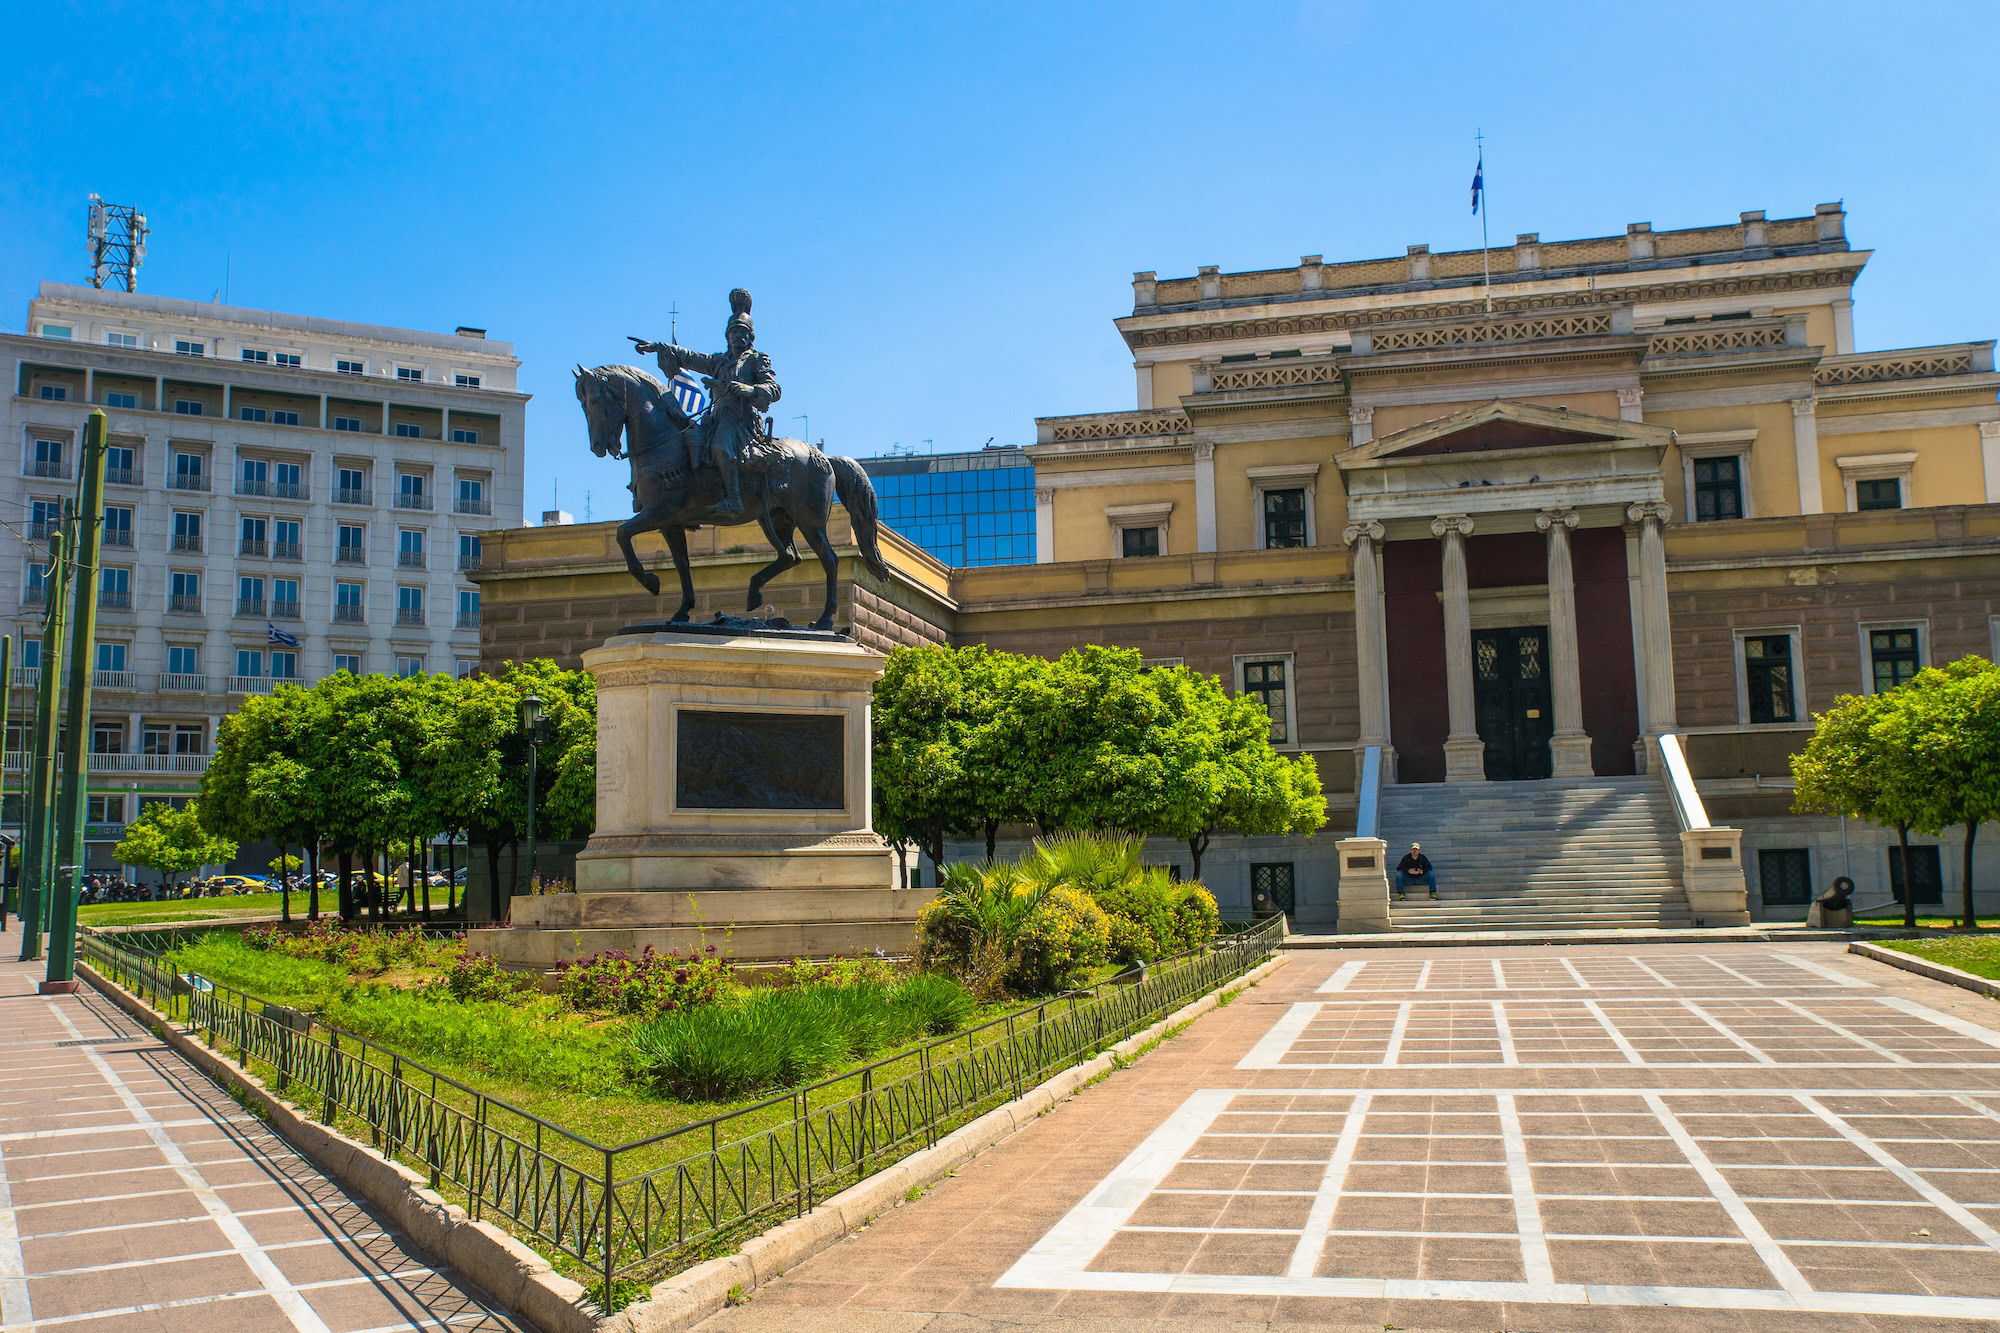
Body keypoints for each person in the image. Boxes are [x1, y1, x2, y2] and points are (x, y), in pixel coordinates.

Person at [633, 289, 782, 519]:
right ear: (727, 336)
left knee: (720, 447)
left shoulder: (756, 359)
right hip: (716, 419)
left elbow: (774, 389)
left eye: (743, 333)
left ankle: (734, 499)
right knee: (688, 443)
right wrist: (659, 346)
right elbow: (690, 356)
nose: (738, 337)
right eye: (734, 332)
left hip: (741, 420)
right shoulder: (719, 361)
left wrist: (750, 389)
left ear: (751, 337)